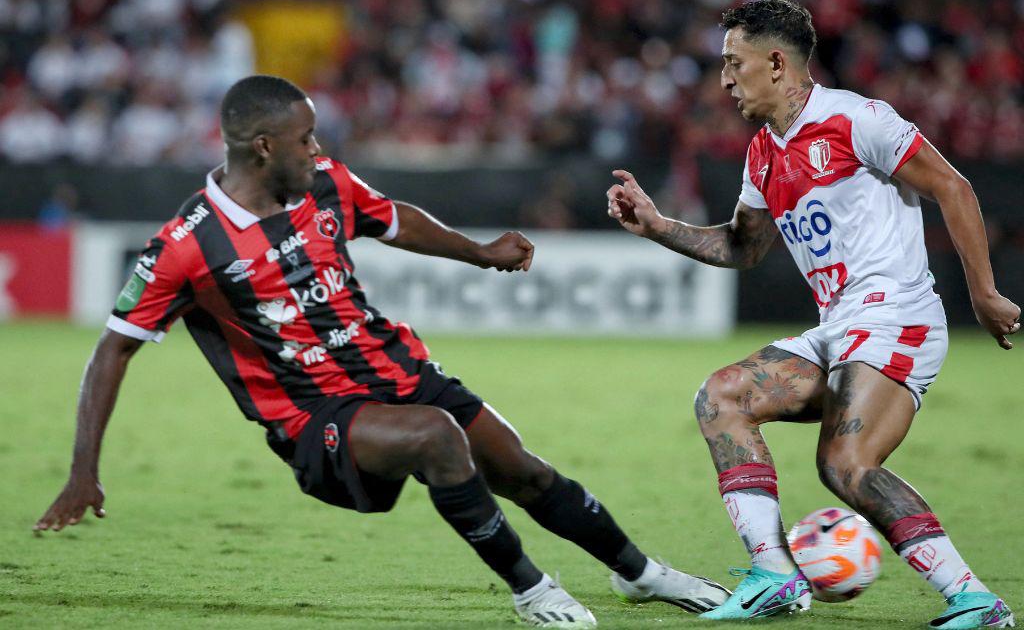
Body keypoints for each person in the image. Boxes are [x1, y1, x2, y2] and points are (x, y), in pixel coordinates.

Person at [35, 75, 729, 628]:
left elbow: (394, 219)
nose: (318, 149)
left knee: (523, 470)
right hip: (312, 417)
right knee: (437, 439)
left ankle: (639, 574)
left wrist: (480, 254)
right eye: (305, 138)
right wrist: (82, 472)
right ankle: (530, 589)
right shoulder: (186, 246)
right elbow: (112, 351)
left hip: (394, 368)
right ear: (263, 148)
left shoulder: (327, 182)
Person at [606, 0, 1019, 629]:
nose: (723, 79)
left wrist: (984, 294)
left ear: (776, 62)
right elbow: (744, 247)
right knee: (722, 396)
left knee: (844, 466)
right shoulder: (763, 154)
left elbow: (953, 187)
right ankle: (773, 575)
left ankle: (976, 600)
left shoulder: (857, 120)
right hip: (839, 326)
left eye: (732, 63)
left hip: (896, 316)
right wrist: (659, 226)